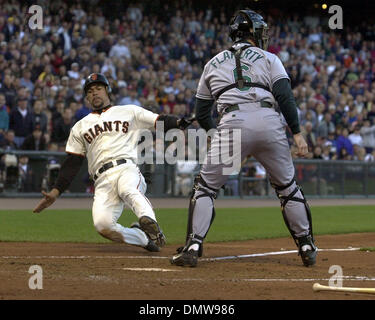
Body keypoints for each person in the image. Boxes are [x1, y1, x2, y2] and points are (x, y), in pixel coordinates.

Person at [171, 10, 317, 268]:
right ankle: (305, 244)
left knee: (206, 188)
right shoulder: (270, 58)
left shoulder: (212, 63)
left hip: (232, 123)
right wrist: (297, 132)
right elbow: (284, 96)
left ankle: (193, 245)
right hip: (268, 121)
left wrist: (217, 136)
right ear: (255, 34)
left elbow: (201, 113)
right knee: (287, 188)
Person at [33, 73, 193, 252]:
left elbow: (158, 120)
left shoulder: (129, 111)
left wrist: (178, 122)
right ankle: (142, 237)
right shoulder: (80, 126)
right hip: (101, 180)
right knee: (103, 226)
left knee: (128, 190)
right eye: (90, 91)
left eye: (98, 89)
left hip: (127, 168)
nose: (95, 93)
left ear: (107, 91)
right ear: (86, 97)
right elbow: (72, 163)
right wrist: (55, 192)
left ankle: (150, 222)